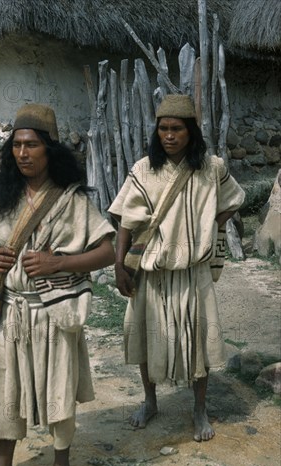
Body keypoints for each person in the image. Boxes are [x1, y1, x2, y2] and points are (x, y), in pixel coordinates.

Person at [0, 104, 115, 466]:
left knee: (59, 383)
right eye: (17, 145)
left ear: (50, 150)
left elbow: (108, 251)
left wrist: (58, 262)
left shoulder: (73, 201)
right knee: (4, 389)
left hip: (57, 311)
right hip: (13, 312)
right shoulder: (2, 198)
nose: (23, 153)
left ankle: (61, 465)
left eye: (32, 145)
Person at [108, 94, 245, 442]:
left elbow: (234, 198)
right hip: (152, 273)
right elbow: (125, 221)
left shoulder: (211, 168)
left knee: (199, 341)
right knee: (144, 336)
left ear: (191, 132)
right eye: (163, 128)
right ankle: (150, 401)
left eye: (177, 129)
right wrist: (119, 265)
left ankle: (199, 410)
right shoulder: (143, 169)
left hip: (192, 272)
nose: (168, 136)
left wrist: (210, 225)